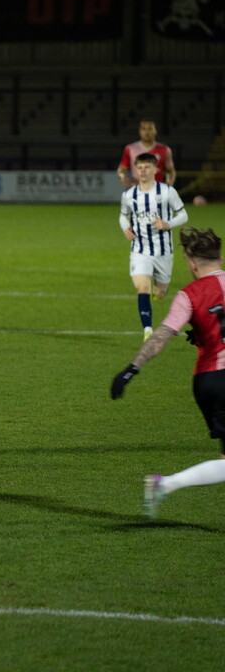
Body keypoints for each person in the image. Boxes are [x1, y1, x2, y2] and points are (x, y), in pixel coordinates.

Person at [111, 227, 225, 519]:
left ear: (192, 264)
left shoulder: (189, 294)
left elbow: (161, 336)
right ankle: (166, 485)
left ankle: (166, 485)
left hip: (209, 381)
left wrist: (130, 370)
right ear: (220, 257)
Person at [119, 152, 188, 341]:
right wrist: (126, 228)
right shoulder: (129, 195)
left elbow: (183, 215)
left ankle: (160, 292)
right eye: (139, 168)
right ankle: (147, 330)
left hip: (164, 251)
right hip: (140, 250)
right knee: (143, 288)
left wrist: (167, 224)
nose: (143, 171)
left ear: (156, 169)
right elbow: (123, 215)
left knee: (160, 291)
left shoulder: (166, 192)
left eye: (147, 167)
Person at [117, 118, 176, 189]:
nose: (146, 132)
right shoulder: (130, 149)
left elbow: (171, 171)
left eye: (150, 129)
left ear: (155, 131)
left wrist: (170, 182)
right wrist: (123, 177)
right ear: (139, 131)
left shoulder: (165, 149)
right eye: (143, 129)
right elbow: (121, 170)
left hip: (157, 191)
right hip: (136, 189)